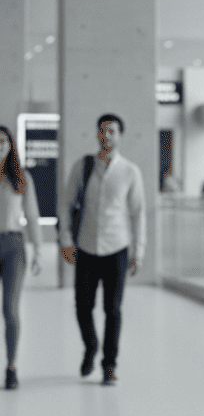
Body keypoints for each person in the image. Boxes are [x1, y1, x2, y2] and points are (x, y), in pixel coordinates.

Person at [58, 114, 146, 386]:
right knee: (82, 307)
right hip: (86, 247)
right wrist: (65, 240)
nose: (106, 135)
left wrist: (138, 251)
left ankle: (109, 365)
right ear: (97, 134)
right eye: (102, 130)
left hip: (117, 248)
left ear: (120, 135)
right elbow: (66, 204)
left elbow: (138, 213)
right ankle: (91, 345)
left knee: (113, 309)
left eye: (112, 131)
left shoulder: (130, 171)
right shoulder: (83, 167)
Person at [0, 126, 42, 390]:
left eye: (2, 141)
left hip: (13, 246)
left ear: (10, 145)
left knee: (10, 309)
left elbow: (33, 216)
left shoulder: (21, 178)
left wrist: (38, 250)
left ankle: (12, 366)